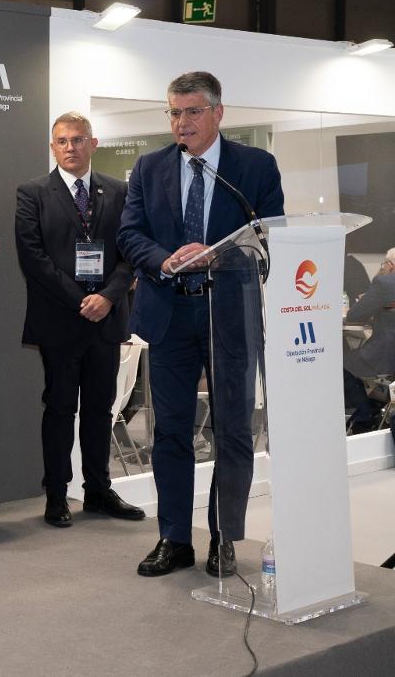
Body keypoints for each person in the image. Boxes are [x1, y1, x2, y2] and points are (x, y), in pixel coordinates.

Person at [117, 71, 284, 578]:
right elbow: (129, 233)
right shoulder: (149, 168)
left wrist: (217, 256)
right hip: (169, 313)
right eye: (173, 112)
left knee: (233, 429)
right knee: (170, 432)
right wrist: (166, 260)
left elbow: (269, 232)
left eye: (191, 112)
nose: (181, 122)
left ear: (218, 113)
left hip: (230, 314)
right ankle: (173, 538)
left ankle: (223, 537)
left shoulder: (253, 167)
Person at [15, 111, 144, 528]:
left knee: (99, 409)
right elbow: (34, 259)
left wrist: (106, 297)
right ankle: (56, 494)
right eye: (62, 141)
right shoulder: (32, 193)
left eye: (78, 139)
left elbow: (130, 251)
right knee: (59, 409)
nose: (70, 147)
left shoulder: (119, 191)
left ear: (94, 143)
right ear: (53, 147)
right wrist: (81, 301)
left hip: (106, 320)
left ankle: (98, 491)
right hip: (60, 321)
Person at [343, 249, 395, 433]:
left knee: (342, 366)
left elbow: (355, 314)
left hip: (386, 352)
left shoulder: (385, 282)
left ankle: (365, 416)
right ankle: (373, 411)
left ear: (390, 265)